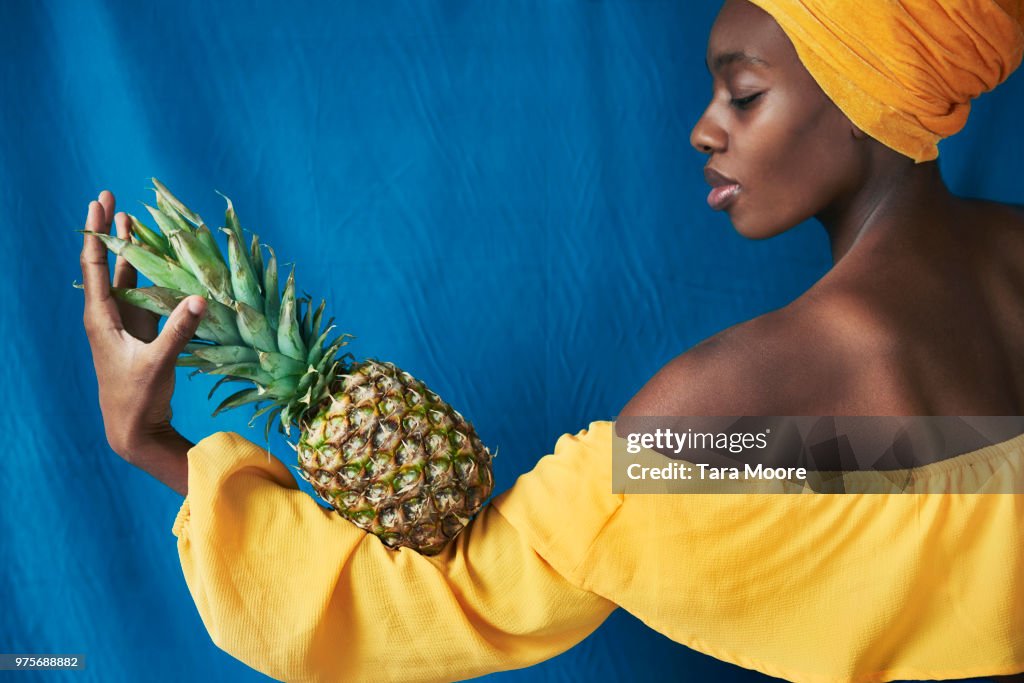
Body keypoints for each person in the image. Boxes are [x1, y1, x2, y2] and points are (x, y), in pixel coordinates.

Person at [80, 1, 1024, 681]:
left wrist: (152, 443)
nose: (702, 129)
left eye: (743, 94)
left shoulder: (728, 407)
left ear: (868, 94)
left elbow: (431, 610)